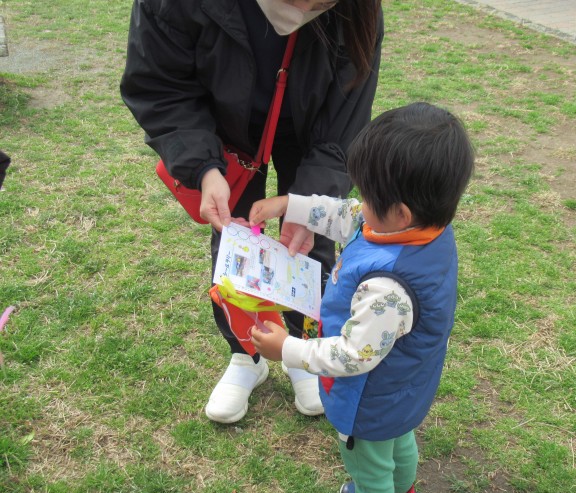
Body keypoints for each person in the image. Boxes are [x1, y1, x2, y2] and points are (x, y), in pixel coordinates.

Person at [120, 0, 383, 423]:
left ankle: (302, 349)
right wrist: (204, 168)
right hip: (223, 125)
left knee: (306, 241)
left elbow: (345, 118)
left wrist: (310, 203)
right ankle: (247, 355)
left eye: (322, 3)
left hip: (312, 125)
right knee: (236, 240)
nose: (308, 9)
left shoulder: (356, 8)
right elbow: (160, 84)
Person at [249, 102, 475, 493]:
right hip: (404, 386)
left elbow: (353, 355)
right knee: (399, 438)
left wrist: (288, 349)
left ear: (401, 213)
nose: (359, 203)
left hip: (369, 399)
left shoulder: (387, 290)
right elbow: (346, 215)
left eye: (368, 196)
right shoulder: (424, 230)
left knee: (370, 472)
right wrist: (290, 205)